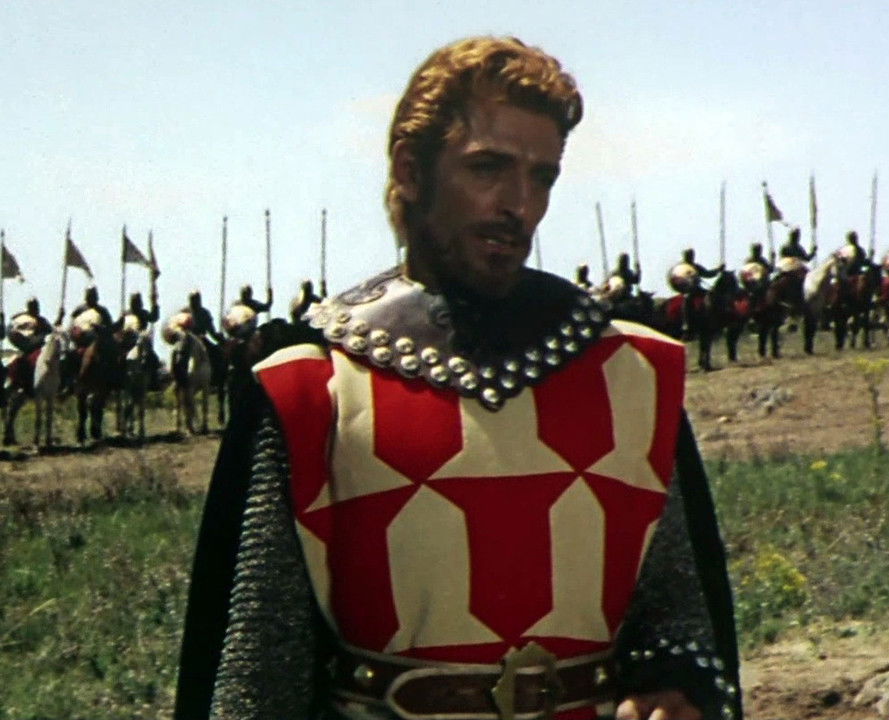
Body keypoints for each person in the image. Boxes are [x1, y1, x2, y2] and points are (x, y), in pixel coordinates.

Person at [175, 35, 740, 720]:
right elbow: (262, 667)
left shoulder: (632, 374)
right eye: (488, 168)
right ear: (411, 171)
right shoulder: (311, 388)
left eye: (542, 177)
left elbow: (677, 618)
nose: (519, 204)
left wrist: (678, 685)